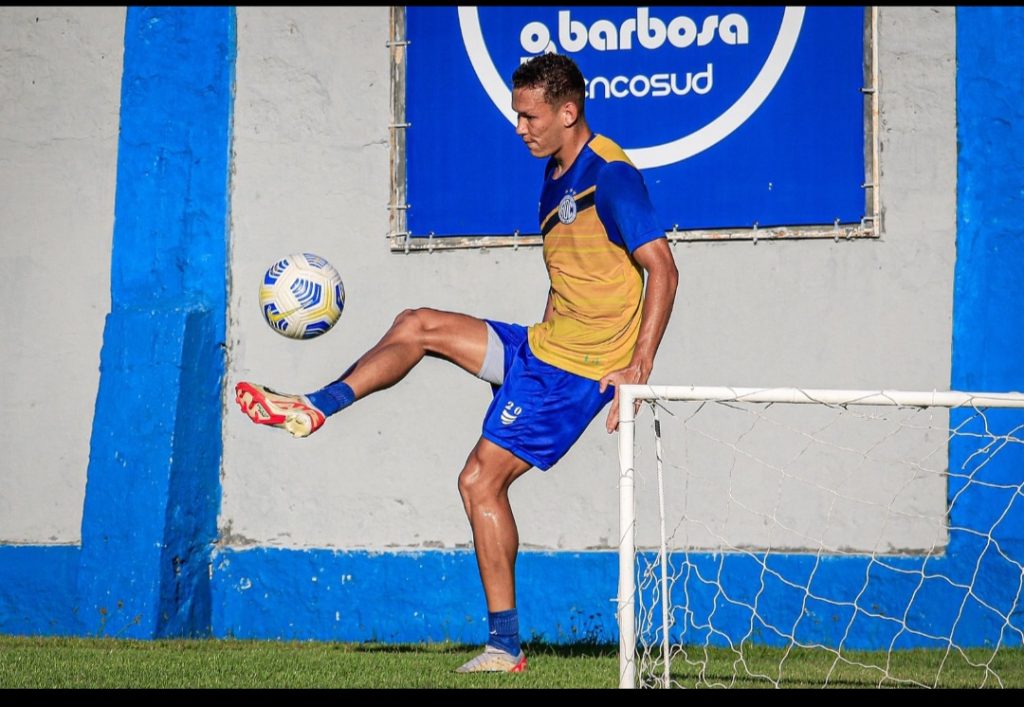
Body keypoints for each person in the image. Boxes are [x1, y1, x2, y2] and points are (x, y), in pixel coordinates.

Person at [234, 53, 679, 673]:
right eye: (517, 115)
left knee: (479, 482)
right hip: (541, 348)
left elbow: (663, 268)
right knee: (417, 324)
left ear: (567, 112)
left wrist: (637, 367)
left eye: (529, 117)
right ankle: (317, 405)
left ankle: (504, 648)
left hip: (575, 373)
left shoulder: (610, 175)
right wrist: (533, 349)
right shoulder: (555, 173)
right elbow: (572, 276)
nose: (519, 128)